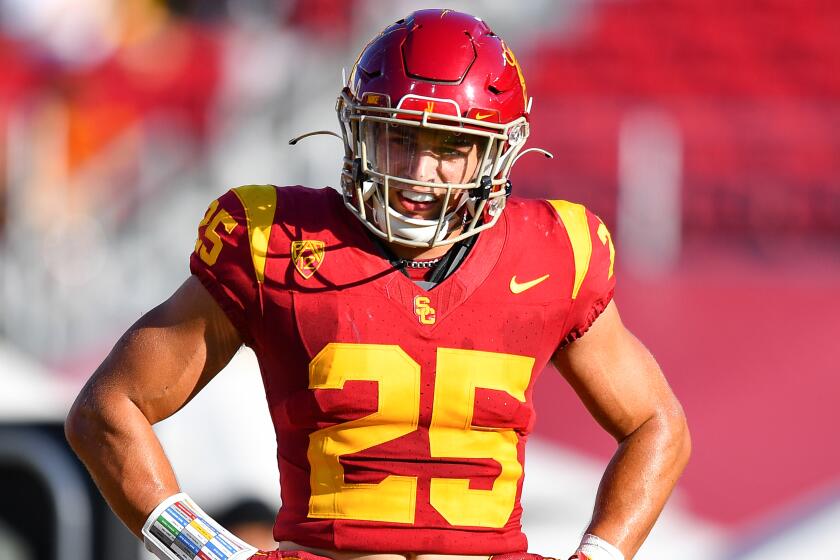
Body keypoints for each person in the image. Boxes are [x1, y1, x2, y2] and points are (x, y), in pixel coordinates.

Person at [65, 9, 690, 560]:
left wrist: (600, 554)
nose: (420, 172)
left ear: (497, 152)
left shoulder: (556, 250)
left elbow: (656, 426)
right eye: (398, 138)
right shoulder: (274, 239)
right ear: (358, 130)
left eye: (450, 146)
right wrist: (212, 551)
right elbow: (107, 411)